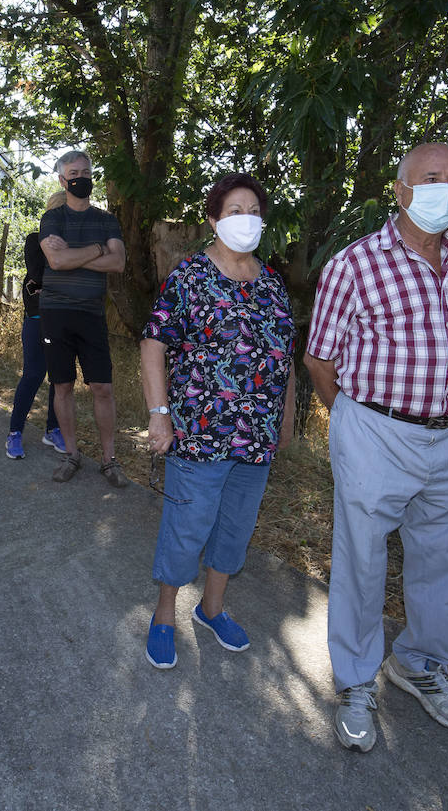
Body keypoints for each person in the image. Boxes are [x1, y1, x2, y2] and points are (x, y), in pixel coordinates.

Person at [304, 142, 448, 751]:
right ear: (401, 189)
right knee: (362, 559)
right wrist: (355, 422)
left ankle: (419, 665)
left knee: (444, 560)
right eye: (432, 177)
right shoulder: (354, 264)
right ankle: (356, 683)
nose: (446, 189)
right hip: (375, 430)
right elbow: (320, 358)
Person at [138, 172, 296, 670]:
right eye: (233, 211)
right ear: (213, 219)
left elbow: (285, 356)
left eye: (253, 211)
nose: (245, 219)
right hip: (199, 434)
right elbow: (152, 346)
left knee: (235, 529)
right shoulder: (190, 277)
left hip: (257, 437)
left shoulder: (271, 284)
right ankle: (165, 615)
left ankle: (212, 609)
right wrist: (159, 417)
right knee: (187, 527)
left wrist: (287, 419)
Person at [38, 149, 128, 486]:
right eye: (74, 173)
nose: (81, 178)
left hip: (91, 313)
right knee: (62, 386)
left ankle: (109, 460)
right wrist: (97, 249)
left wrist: (74, 254)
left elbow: (118, 263)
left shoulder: (107, 220)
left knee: (102, 387)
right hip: (55, 313)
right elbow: (56, 263)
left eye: (86, 172)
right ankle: (71, 454)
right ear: (62, 180)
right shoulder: (52, 218)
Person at [3, 194, 67, 458]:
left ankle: (52, 430)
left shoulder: (75, 245)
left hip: (64, 320)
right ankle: (14, 433)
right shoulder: (35, 240)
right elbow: (38, 276)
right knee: (33, 375)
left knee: (59, 379)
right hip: (38, 320)